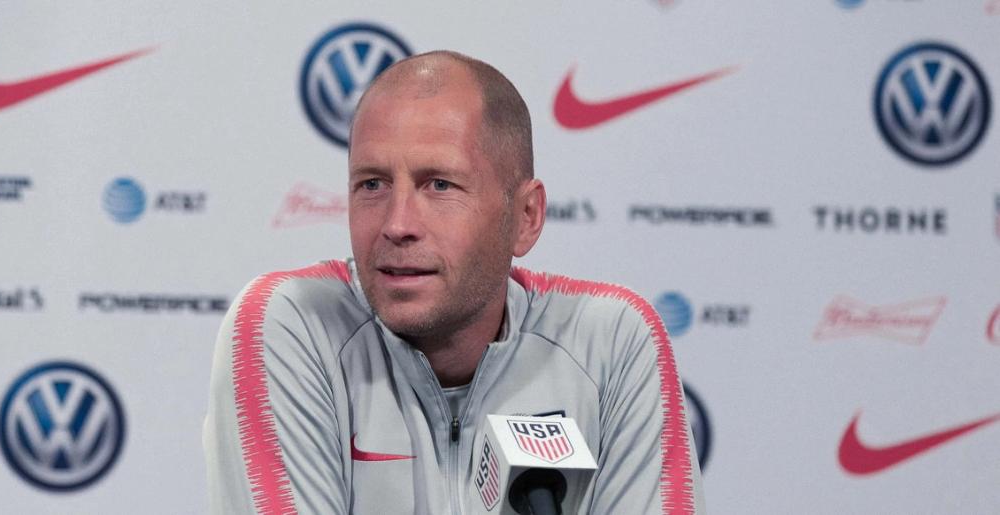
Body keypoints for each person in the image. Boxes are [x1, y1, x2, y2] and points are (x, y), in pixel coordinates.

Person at [204, 50, 704, 514]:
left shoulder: (609, 344)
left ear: (525, 216)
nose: (397, 224)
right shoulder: (294, 324)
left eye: (439, 185)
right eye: (372, 184)